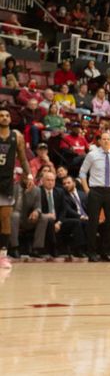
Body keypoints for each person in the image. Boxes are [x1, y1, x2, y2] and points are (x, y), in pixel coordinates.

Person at [79, 131, 110, 262]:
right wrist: (87, 190)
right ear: (99, 141)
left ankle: (106, 251)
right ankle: (91, 252)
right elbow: (82, 173)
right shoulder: (92, 155)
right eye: (103, 139)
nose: (105, 141)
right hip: (95, 191)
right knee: (93, 223)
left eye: (108, 139)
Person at [0, 107, 33, 268]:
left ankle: (2, 255)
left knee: (5, 218)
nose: (4, 118)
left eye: (7, 115)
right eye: (1, 115)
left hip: (6, 182)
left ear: (10, 119)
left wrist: (30, 175)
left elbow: (23, 158)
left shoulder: (16, 136)